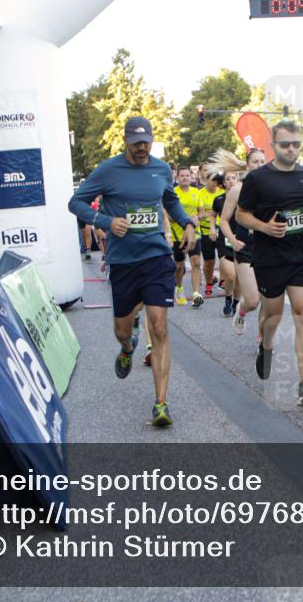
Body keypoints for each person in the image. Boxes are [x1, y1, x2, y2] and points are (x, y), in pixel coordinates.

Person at [68, 116, 197, 427]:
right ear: (125, 141)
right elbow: (76, 202)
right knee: (122, 330)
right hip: (124, 262)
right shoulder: (108, 170)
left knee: (160, 327)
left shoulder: (161, 169)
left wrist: (187, 223)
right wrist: (106, 221)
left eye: (146, 142)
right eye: (136, 142)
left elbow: (171, 201)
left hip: (156, 257)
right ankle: (127, 348)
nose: (142, 147)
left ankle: (161, 404)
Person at [236, 121, 303, 406]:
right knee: (272, 316)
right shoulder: (258, 179)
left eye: (296, 144)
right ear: (273, 145)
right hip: (270, 258)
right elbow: (241, 214)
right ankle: (266, 345)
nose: (291, 149)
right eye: (285, 144)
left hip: (302, 255)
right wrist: (264, 227)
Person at [217, 148, 266, 336]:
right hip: (245, 248)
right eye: (255, 162)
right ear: (247, 165)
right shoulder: (238, 190)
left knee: (268, 299)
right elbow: (223, 220)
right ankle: (241, 311)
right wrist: (232, 239)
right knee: (253, 300)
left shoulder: (272, 188)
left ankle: (263, 339)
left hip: (268, 248)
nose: (259, 165)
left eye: (262, 161)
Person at [169, 167, 205, 307]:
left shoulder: (196, 192)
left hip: (194, 234)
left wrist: (197, 217)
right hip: (177, 235)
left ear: (191, 177)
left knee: (196, 262)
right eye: (182, 175)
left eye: (187, 175)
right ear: (177, 178)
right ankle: (179, 288)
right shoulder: (173, 193)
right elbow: (167, 215)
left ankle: (196, 294)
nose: (185, 178)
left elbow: (202, 213)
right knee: (179, 266)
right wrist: (184, 219)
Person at [208, 170, 240, 317]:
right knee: (231, 275)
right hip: (224, 240)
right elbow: (212, 216)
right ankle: (228, 298)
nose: (231, 181)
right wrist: (212, 228)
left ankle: (236, 303)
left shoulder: (245, 198)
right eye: (228, 179)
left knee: (240, 278)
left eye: (234, 178)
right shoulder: (219, 199)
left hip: (242, 240)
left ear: (238, 180)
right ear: (224, 182)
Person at [199, 171, 226, 298]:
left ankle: (223, 281)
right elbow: (200, 213)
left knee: (224, 258)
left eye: (217, 181)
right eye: (212, 180)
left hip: (222, 229)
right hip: (206, 230)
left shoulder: (222, 192)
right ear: (206, 180)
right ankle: (209, 283)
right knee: (209, 261)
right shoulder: (200, 193)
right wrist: (208, 215)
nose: (215, 183)